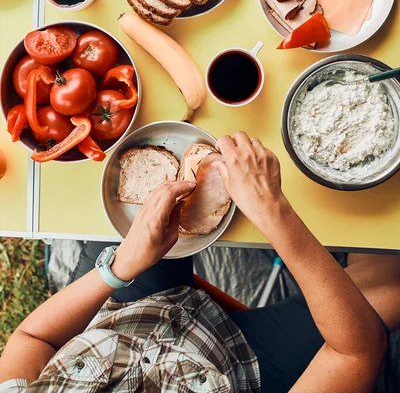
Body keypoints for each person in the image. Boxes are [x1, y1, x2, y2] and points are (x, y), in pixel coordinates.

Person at [1, 132, 400, 393]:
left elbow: (33, 340)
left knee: (117, 170)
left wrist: (120, 267)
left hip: (129, 305)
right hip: (247, 364)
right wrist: (272, 211)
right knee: (390, 283)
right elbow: (355, 352)